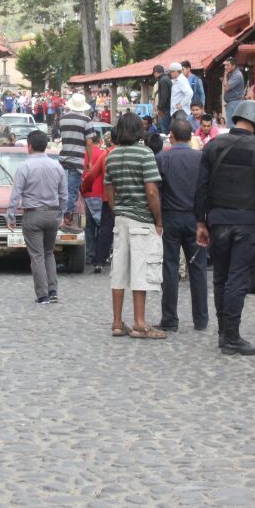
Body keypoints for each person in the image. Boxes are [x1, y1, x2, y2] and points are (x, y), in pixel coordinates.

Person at [194, 100, 255, 356]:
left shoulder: (212, 146)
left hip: (217, 221)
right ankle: (231, 336)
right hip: (246, 223)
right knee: (237, 279)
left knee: (220, 277)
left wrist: (200, 221)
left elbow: (201, 188)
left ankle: (224, 333)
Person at [106, 112, 165, 339]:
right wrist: (158, 219)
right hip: (142, 219)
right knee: (140, 272)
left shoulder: (111, 156)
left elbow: (109, 191)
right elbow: (151, 191)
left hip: (120, 219)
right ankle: (140, 324)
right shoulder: (145, 154)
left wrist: (118, 209)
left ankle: (117, 322)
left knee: (118, 271)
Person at [157, 118, 208, 333]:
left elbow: (156, 190)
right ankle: (201, 318)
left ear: (172, 135)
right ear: (190, 137)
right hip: (195, 218)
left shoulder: (162, 158)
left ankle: (170, 318)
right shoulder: (200, 158)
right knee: (198, 268)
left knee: (169, 267)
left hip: (170, 216)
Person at [7, 128, 67, 303]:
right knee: (49, 253)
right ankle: (53, 290)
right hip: (53, 214)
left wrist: (11, 216)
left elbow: (16, 194)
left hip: (33, 215)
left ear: (29, 146)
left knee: (37, 255)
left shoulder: (25, 166)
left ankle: (43, 294)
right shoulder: (57, 166)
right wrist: (61, 214)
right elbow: (64, 194)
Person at [56, 91, 93, 231]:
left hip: (63, 158)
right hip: (77, 160)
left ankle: (61, 217)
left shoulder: (63, 118)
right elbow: (89, 142)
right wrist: (89, 161)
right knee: (72, 191)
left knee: (62, 190)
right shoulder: (86, 120)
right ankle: (67, 219)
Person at [82, 130, 113, 273]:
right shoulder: (102, 153)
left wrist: (83, 189)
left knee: (89, 226)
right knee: (103, 226)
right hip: (100, 193)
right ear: (99, 141)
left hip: (87, 193)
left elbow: (88, 174)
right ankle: (102, 255)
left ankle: (90, 254)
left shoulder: (84, 154)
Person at [221, 55, 246, 125]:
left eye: (227, 65)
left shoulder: (237, 75)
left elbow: (226, 88)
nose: (225, 67)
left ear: (233, 66)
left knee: (231, 126)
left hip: (234, 103)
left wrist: (225, 75)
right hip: (232, 103)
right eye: (225, 65)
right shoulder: (231, 74)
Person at [153, 65, 172, 132]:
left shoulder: (163, 80)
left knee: (164, 129)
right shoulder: (167, 78)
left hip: (165, 109)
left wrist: (160, 108)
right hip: (168, 107)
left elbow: (164, 96)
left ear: (155, 73)